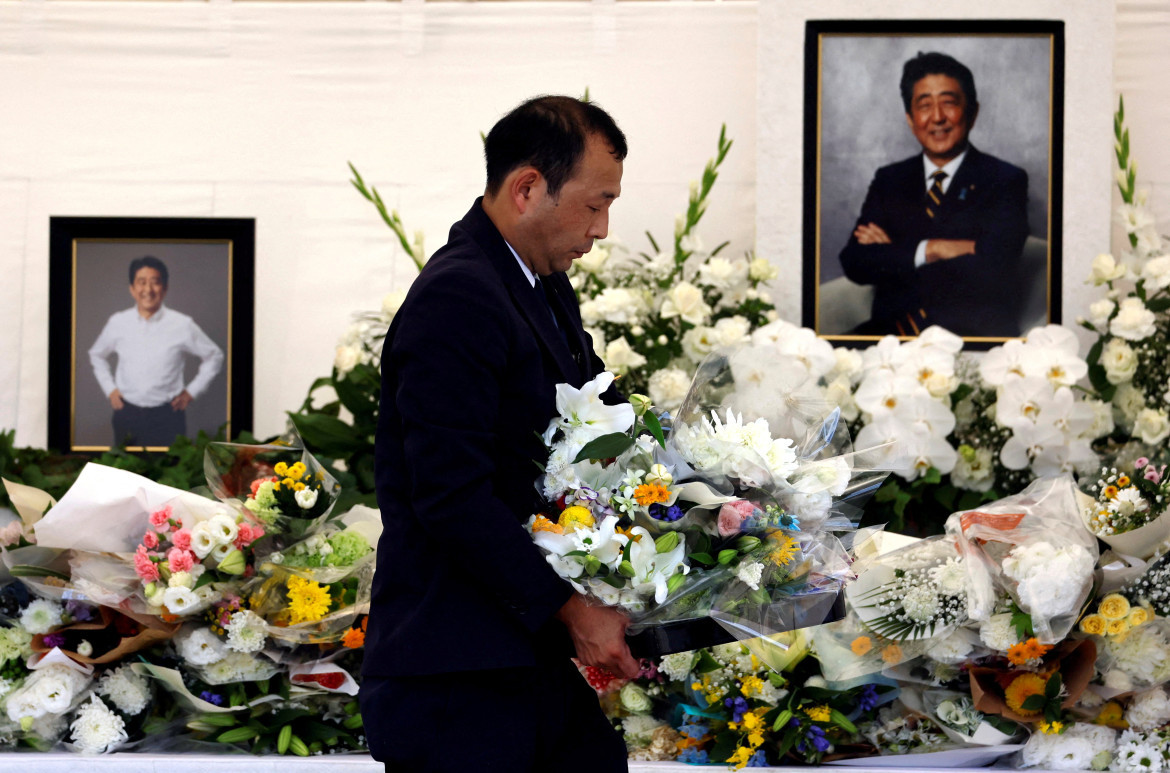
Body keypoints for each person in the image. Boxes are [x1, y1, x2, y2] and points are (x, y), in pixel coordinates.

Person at [360, 96, 638, 772]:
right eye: (596, 204)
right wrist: (572, 609)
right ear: (526, 188)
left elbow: (601, 413)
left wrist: (714, 503)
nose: (602, 228)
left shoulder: (540, 284)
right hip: (457, 670)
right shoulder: (460, 295)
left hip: (517, 657)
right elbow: (451, 494)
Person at [838, 51, 1030, 338]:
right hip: (890, 336)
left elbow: (993, 269)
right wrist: (933, 249)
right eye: (924, 105)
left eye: (949, 103)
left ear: (973, 112)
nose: (937, 117)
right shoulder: (890, 179)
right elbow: (855, 261)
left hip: (970, 338)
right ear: (910, 118)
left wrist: (894, 255)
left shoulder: (1004, 180)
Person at [88, 256, 224, 447]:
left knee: (169, 474)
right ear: (132, 289)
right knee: (126, 473)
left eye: (155, 282)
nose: (148, 290)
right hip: (127, 413)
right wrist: (110, 390)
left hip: (167, 416)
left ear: (165, 288)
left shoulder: (182, 324)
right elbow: (97, 354)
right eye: (141, 283)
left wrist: (191, 392)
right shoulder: (118, 322)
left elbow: (214, 356)